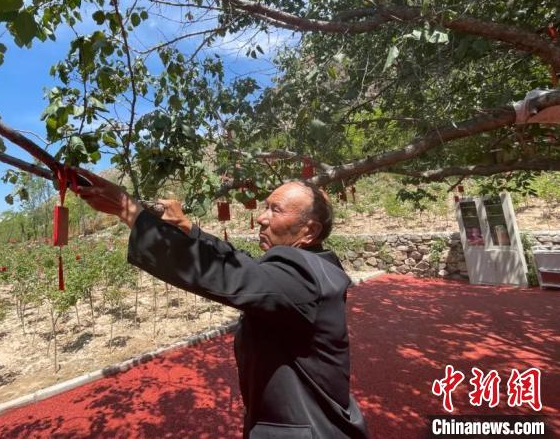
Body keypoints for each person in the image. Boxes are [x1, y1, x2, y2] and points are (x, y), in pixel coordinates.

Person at [73, 168, 369, 439]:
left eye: (275, 210)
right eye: (266, 206)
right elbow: (242, 262)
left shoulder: (301, 276)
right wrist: (188, 228)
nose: (262, 217)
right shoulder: (314, 268)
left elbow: (229, 274)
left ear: (309, 231)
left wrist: (129, 211)